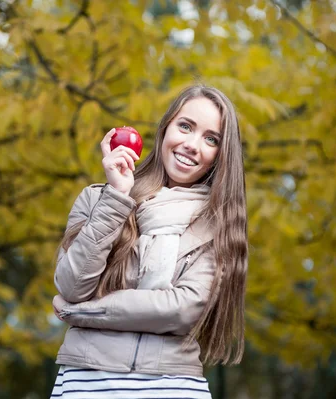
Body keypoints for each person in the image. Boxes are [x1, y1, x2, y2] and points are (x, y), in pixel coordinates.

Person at [50, 84, 248, 399]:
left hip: (172, 385)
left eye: (211, 139)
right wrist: (116, 197)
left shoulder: (219, 226)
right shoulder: (98, 199)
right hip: (88, 383)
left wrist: (82, 313)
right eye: (185, 126)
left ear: (220, 155)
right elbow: (72, 286)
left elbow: (180, 310)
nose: (192, 145)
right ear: (165, 128)